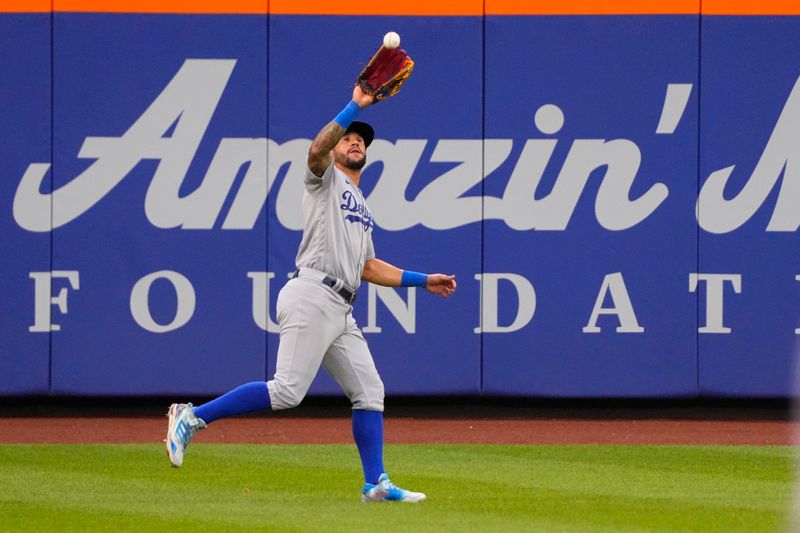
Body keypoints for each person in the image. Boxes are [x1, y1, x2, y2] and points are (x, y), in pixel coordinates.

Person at [165, 84, 457, 503]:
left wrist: (423, 280)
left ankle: (375, 483)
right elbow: (315, 150)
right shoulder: (325, 180)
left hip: (341, 308)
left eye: (361, 140)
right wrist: (355, 105)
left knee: (370, 392)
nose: (355, 141)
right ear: (337, 148)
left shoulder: (361, 203)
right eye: (349, 137)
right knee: (287, 391)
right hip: (312, 292)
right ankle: (191, 418)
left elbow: (368, 268)